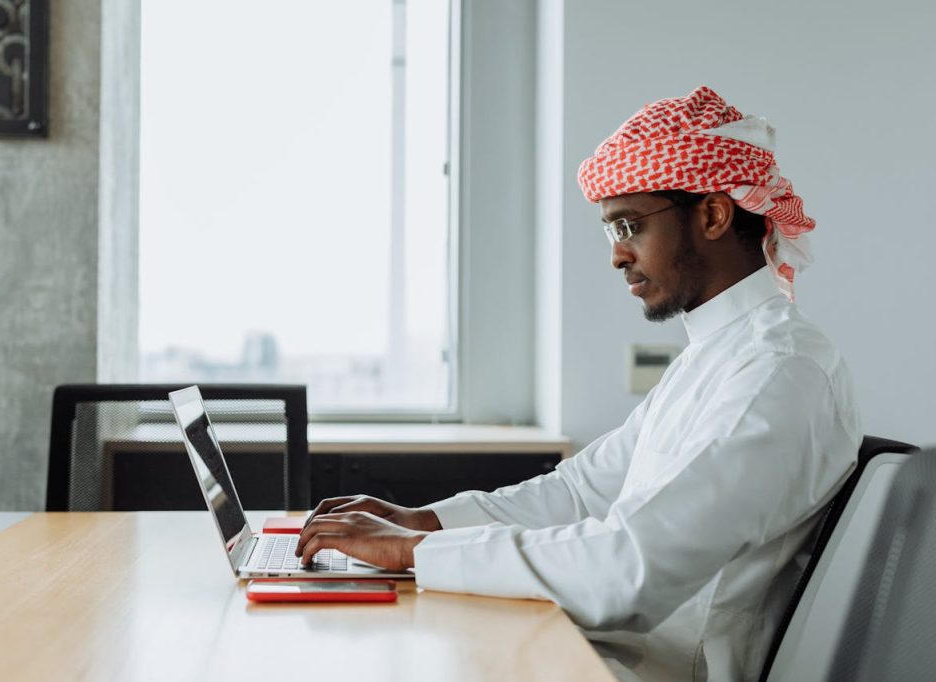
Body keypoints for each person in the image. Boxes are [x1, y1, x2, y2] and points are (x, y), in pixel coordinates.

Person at [296, 86, 861, 682]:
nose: (618, 256)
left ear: (714, 215)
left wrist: (414, 554)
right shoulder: (716, 357)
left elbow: (628, 568)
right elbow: (577, 494)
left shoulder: (778, 373)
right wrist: (422, 523)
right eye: (611, 231)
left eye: (629, 225)